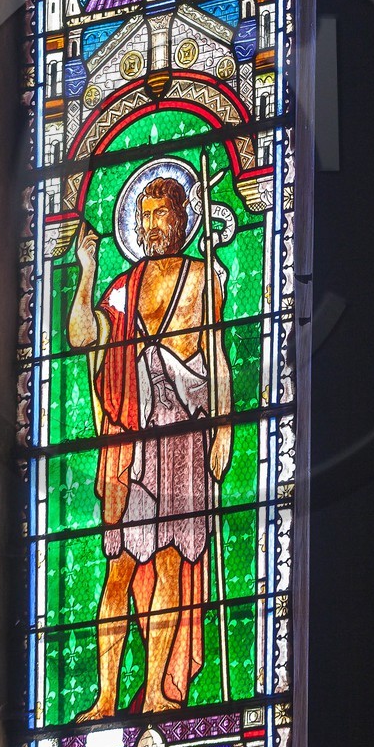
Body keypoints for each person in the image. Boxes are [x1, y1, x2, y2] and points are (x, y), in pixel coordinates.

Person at [68, 175, 232, 717]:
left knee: (168, 563)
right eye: (144, 216)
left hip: (181, 432)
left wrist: (225, 427)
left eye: (161, 213)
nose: (151, 224)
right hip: (131, 435)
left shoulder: (207, 278)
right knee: (118, 566)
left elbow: (216, 352)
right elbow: (80, 337)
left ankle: (160, 692)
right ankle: (106, 696)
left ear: (183, 218)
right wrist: (88, 274)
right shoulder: (121, 287)